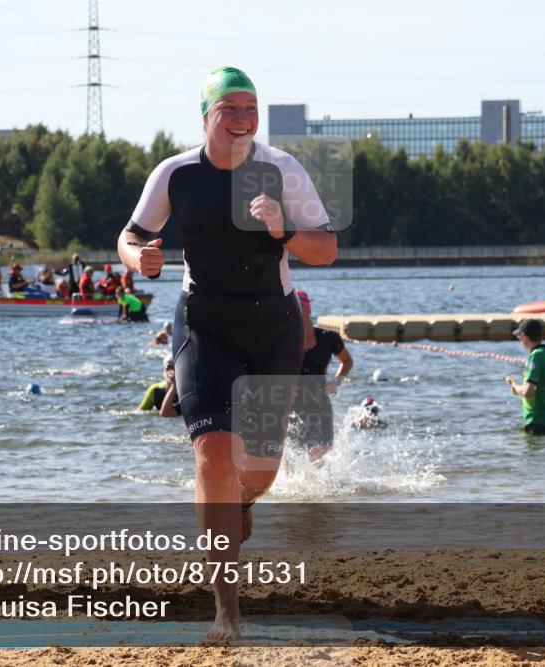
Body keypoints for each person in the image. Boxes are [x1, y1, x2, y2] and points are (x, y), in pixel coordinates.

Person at [117, 66, 336, 641]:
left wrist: (284, 230)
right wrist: (138, 258)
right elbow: (130, 235)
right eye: (229, 109)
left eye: (250, 109)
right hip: (204, 324)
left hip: (272, 328)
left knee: (258, 474)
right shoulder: (176, 173)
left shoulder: (282, 169)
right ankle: (226, 611)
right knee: (214, 454)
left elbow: (327, 249)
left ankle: (239, 503)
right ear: (205, 116)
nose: (242, 119)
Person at [293, 290, 353, 460]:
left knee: (325, 445)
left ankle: (317, 476)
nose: (299, 313)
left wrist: (336, 382)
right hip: (292, 401)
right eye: (295, 309)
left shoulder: (328, 338)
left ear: (309, 310)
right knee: (294, 449)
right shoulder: (285, 340)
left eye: (302, 308)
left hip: (319, 398)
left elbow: (347, 361)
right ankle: (292, 476)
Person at [505, 319, 545, 435]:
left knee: (532, 447)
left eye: (519, 337)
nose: (520, 340)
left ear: (525, 337)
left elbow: (528, 392)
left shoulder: (536, 355)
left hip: (538, 421)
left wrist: (515, 388)